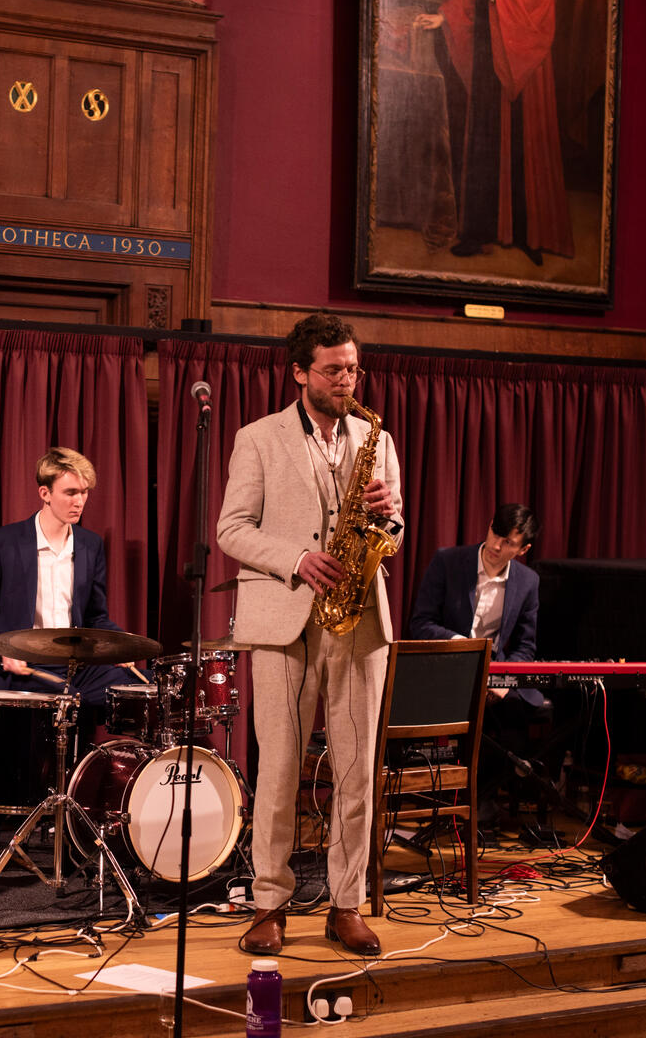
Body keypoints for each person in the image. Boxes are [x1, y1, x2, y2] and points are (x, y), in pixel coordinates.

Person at [217, 313, 403, 956]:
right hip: (284, 618)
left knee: (356, 770)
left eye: (353, 368)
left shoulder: (378, 438)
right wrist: (296, 558)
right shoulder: (257, 437)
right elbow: (231, 529)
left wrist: (388, 518)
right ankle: (269, 901)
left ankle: (346, 903)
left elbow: (395, 533)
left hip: (359, 620)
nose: (346, 380)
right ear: (299, 373)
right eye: (333, 370)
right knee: (279, 769)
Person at [0, 447, 130, 728]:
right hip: (26, 668)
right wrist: (2, 652)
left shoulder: (90, 545)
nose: (79, 501)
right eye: (70, 492)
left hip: (76, 667)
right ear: (45, 493)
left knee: (142, 687)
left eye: (84, 492)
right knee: (68, 701)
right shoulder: (4, 543)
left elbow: (96, 617)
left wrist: (122, 646)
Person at [409, 503, 545, 813]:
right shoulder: (447, 561)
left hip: (494, 673)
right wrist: (462, 646)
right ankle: (454, 803)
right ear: (489, 525)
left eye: (509, 542)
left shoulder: (528, 582)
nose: (497, 545)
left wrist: (503, 681)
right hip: (447, 666)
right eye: (496, 533)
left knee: (513, 718)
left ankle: (482, 804)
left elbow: (525, 646)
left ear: (523, 549)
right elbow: (421, 623)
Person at [415, 0, 574, 264]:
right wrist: (447, 17)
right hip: (487, 46)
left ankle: (527, 235)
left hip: (520, 47)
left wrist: (501, 2)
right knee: (484, 138)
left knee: (523, 140)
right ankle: (479, 234)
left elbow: (541, 5)